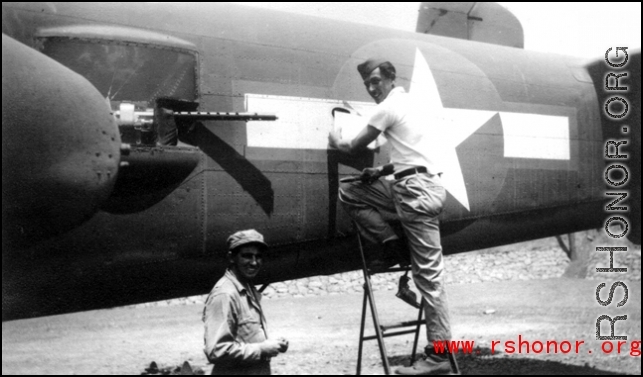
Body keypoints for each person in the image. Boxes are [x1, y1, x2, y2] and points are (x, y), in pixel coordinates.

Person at [328, 58, 453, 375]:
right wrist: (382, 169)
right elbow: (418, 154)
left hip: (414, 192)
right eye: (367, 84)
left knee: (429, 278)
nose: (372, 89)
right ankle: (392, 243)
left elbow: (350, 145)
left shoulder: (388, 107)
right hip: (419, 183)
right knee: (352, 190)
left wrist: (334, 132)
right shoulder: (413, 105)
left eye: (375, 82)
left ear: (390, 78)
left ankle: (438, 357)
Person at [203, 229, 289, 375]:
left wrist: (273, 344)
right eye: (247, 256)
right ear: (231, 258)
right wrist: (262, 349)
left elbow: (246, 335)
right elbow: (216, 350)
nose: (254, 262)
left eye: (259, 257)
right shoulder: (225, 294)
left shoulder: (246, 288)